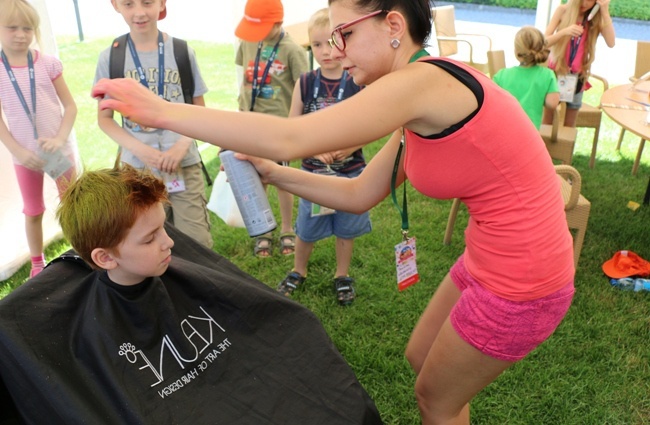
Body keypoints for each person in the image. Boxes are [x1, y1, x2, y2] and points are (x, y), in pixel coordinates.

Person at [93, 0, 576, 423]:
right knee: (419, 356)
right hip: (488, 259)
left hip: (524, 283)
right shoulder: (422, 93)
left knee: (435, 400)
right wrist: (274, 173)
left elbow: (293, 136)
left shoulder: (421, 82)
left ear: (392, 25)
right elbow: (361, 191)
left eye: (344, 33)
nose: (336, 49)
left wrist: (161, 111)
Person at [94, 0, 213, 249]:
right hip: (138, 171)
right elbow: (105, 120)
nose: (139, 12)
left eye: (147, 2)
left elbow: (198, 109)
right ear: (115, 5)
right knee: (148, 244)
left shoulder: (180, 51)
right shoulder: (111, 57)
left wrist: (181, 145)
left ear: (161, 3)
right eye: (129, 4)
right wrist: (143, 151)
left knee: (196, 243)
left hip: (183, 165)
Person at [277, 7, 371, 306]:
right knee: (307, 229)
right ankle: (298, 269)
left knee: (346, 228)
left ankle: (341, 275)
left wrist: (349, 144)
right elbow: (293, 125)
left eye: (330, 43)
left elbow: (371, 124)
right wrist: (313, 148)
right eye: (316, 45)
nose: (325, 51)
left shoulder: (357, 80)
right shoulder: (305, 82)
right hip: (313, 174)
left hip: (350, 174)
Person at [0, 0, 77, 278]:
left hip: (59, 153)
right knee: (33, 210)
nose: (21, 34)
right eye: (12, 28)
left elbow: (70, 107)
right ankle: (37, 262)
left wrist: (59, 139)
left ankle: (82, 246)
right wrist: (18, 152)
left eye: (28, 28)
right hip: (26, 158)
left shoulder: (47, 65)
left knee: (73, 202)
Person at [234, 0, 309, 257]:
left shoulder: (292, 50)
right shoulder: (247, 42)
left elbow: (304, 90)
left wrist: (296, 126)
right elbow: (242, 76)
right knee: (254, 179)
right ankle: (263, 230)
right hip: (248, 125)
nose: (256, 35)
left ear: (278, 23)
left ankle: (287, 230)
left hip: (278, 128)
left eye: (262, 28)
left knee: (281, 179)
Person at [56, 164, 173, 285]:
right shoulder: (101, 304)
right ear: (106, 258)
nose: (170, 242)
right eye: (149, 239)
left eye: (163, 226)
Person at [543, 0, 615, 127]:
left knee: (569, 125)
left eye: (590, 0)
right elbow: (544, 42)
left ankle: (565, 147)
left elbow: (611, 42)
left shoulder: (594, 19)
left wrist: (604, 11)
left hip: (577, 77)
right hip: (556, 73)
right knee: (547, 122)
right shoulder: (563, 10)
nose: (585, 3)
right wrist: (564, 32)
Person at [493, 26, 559, 129]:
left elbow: (491, 104)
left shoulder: (501, 75)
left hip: (503, 130)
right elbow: (552, 103)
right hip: (529, 133)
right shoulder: (548, 75)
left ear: (516, 52)